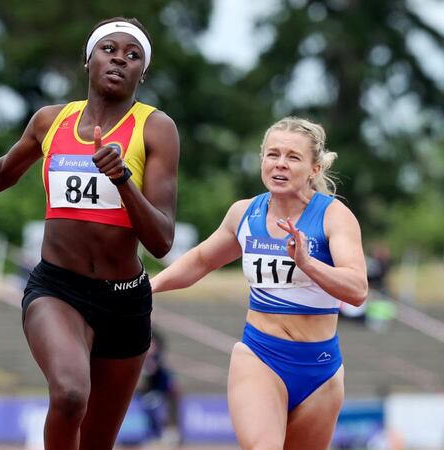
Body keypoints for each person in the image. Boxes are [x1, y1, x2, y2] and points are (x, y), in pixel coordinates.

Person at [0, 17, 179, 450]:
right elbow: (3, 172)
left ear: (143, 72)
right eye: (109, 49)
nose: (120, 58)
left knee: (96, 442)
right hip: (58, 289)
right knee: (68, 396)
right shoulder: (50, 121)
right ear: (88, 60)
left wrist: (123, 180)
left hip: (124, 299)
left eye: (133, 55)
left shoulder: (156, 129)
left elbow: (161, 240)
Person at [151, 117, 367, 449]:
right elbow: (201, 260)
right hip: (261, 356)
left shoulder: (333, 216)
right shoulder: (244, 214)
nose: (280, 164)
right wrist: (148, 288)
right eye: (272, 154)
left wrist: (307, 263)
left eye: (293, 157)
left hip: (320, 369)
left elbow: (357, 289)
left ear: (314, 168)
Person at [138, 330, 181, 446]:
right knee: (151, 410)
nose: (151, 347)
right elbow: (145, 380)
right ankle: (155, 436)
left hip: (162, 394)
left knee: (161, 412)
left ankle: (167, 435)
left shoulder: (159, 360)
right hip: (151, 394)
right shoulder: (145, 360)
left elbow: (168, 379)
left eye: (153, 344)